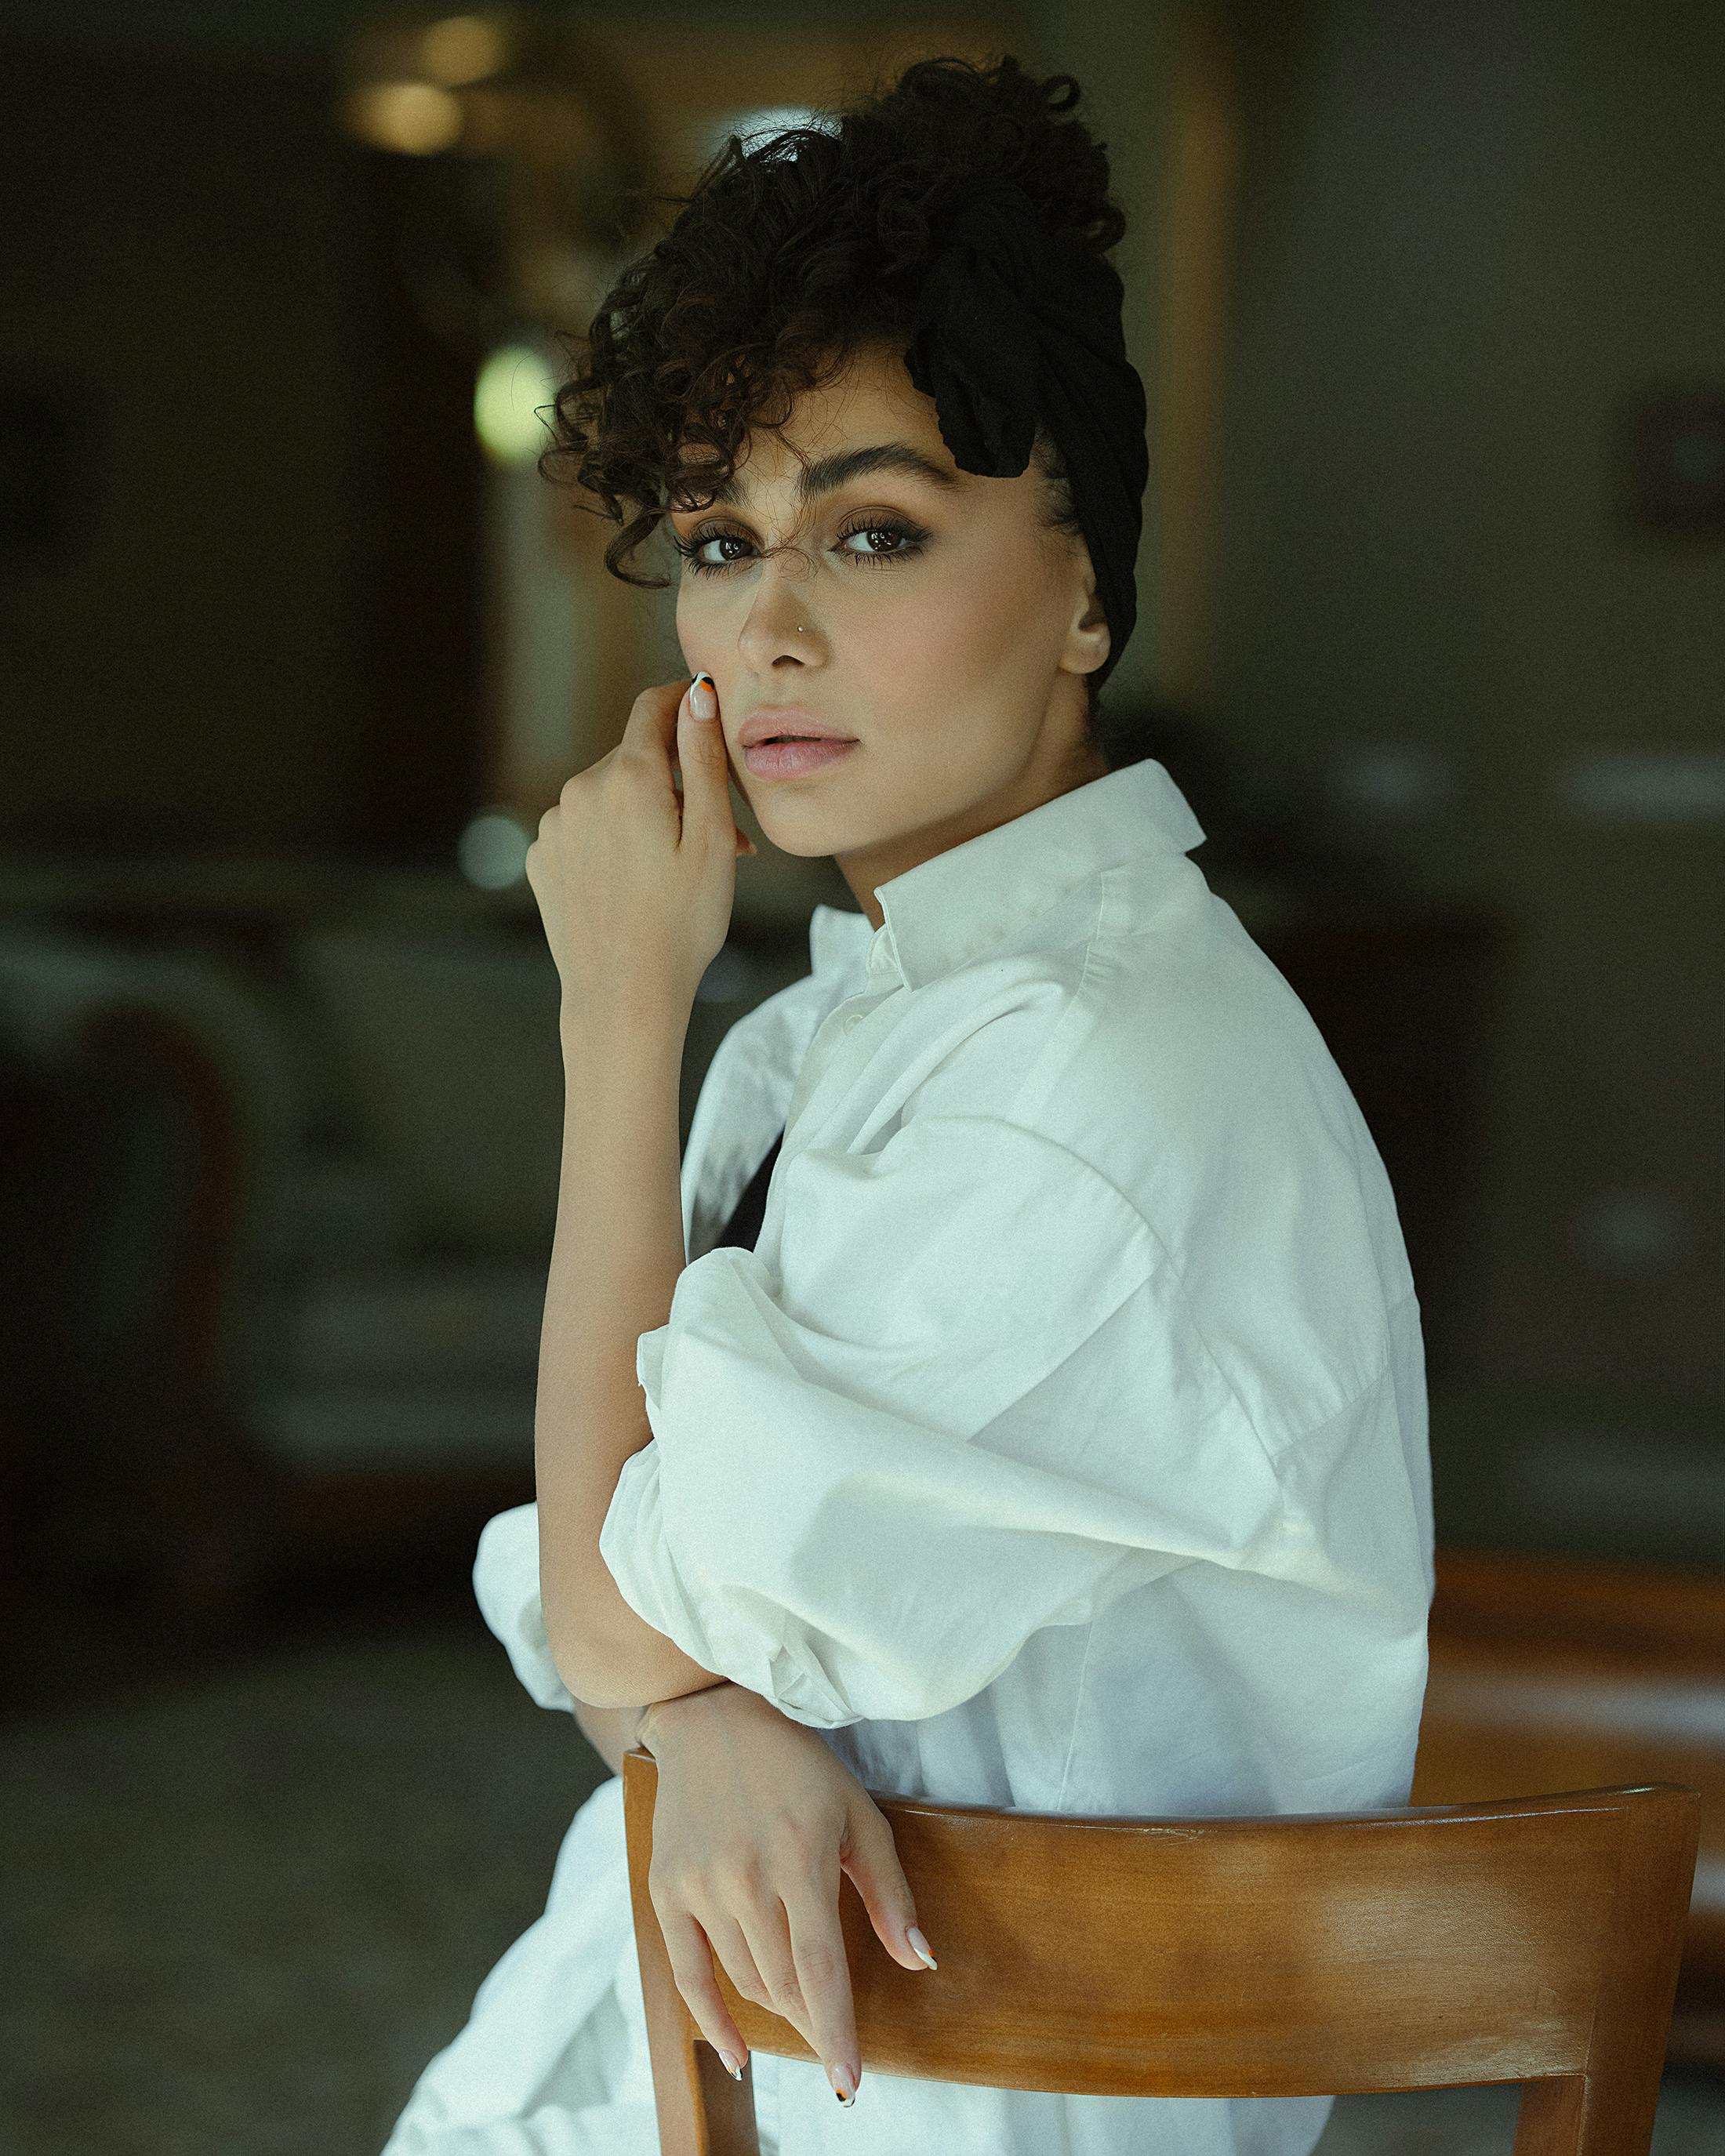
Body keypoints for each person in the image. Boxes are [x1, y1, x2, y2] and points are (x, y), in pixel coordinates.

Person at [381, 51, 1433, 2156]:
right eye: (715, 537)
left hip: (953, 2103)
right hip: (741, 2061)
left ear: (1086, 593)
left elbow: (609, 1609)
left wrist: (617, 1018)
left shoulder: (1083, 1078)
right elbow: (613, 1640)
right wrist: (684, 1704)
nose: (765, 629)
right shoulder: (883, 1019)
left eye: (873, 528)